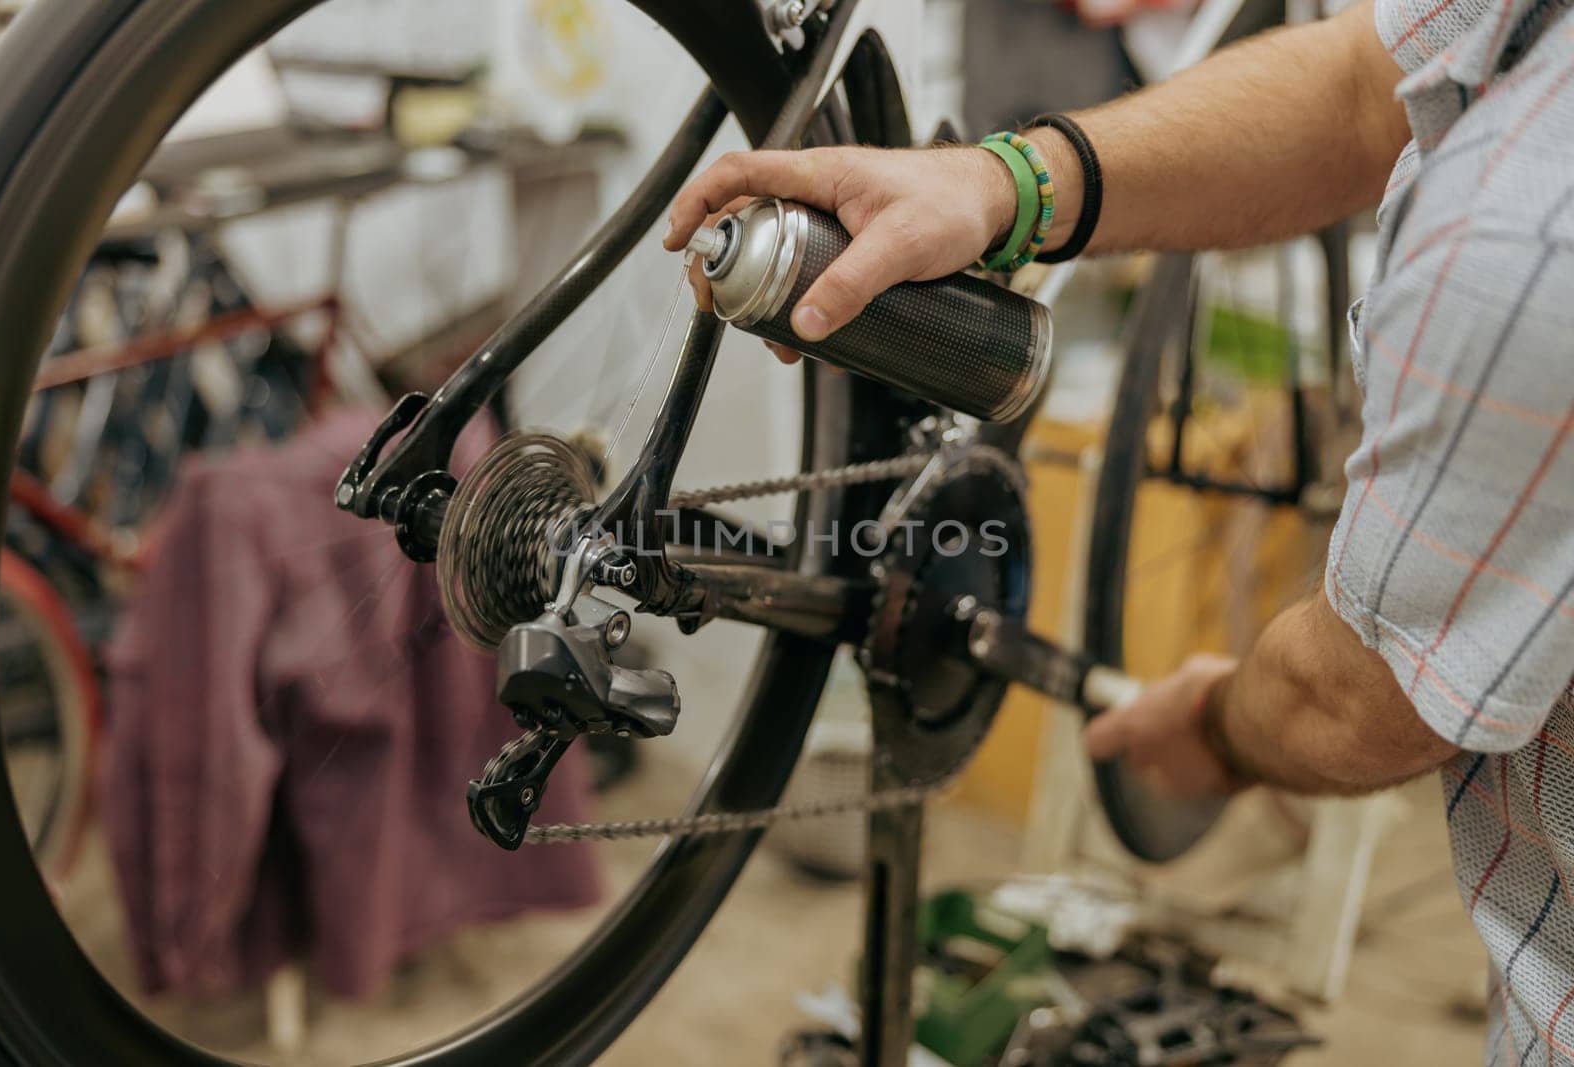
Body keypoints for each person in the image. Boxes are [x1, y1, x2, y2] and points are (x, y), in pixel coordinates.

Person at [664, 0, 1574, 1060]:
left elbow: (1355, 699)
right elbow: (1364, 85)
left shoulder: (1525, 232)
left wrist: (1218, 729)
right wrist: (1005, 183)